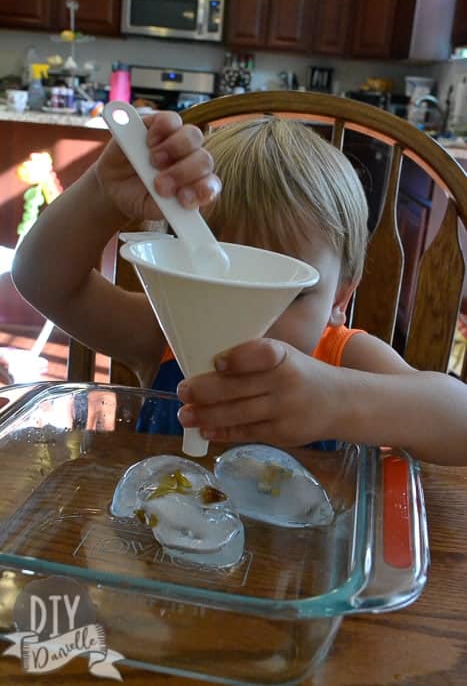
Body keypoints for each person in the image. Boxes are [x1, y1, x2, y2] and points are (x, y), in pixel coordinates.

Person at [12, 112, 467, 466]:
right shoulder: (164, 339)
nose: (250, 322)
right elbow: (41, 280)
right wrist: (101, 193)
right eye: (216, 286)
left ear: (340, 298)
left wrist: (339, 400)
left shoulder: (344, 358)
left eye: (287, 294)